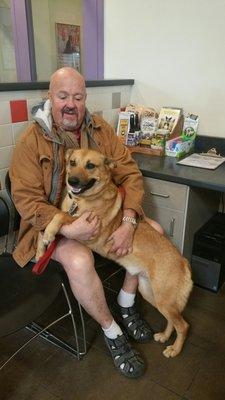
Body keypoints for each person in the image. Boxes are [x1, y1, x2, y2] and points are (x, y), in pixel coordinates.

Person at [9, 67, 163, 379]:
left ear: (85, 99)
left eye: (77, 97)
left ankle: (126, 301)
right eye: (62, 96)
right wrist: (66, 227)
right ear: (50, 98)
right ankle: (113, 332)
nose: (70, 104)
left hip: (103, 220)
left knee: (155, 232)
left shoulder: (102, 131)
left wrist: (130, 221)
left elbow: (130, 174)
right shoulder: (30, 141)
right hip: (51, 228)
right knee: (79, 261)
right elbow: (26, 200)